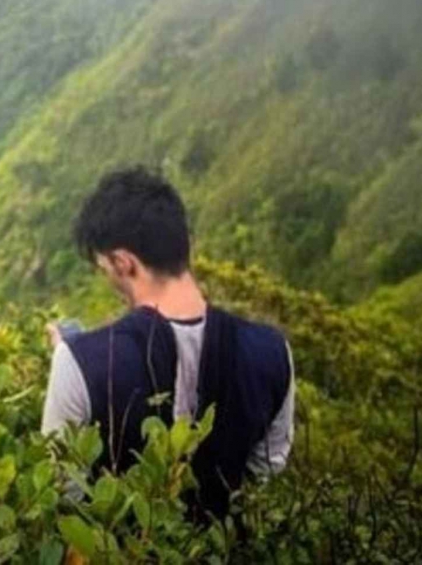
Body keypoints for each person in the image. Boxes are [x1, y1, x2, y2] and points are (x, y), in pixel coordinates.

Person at [40, 166, 294, 518]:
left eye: (104, 268)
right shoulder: (273, 351)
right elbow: (265, 472)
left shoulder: (80, 361)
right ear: (184, 242)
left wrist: (73, 363)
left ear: (122, 262)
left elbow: (60, 495)